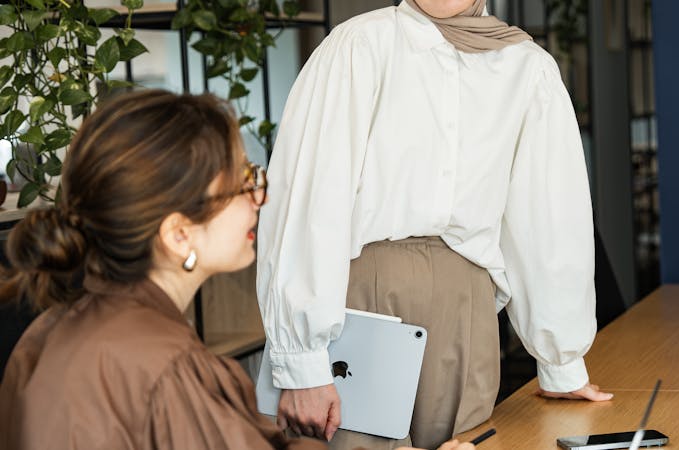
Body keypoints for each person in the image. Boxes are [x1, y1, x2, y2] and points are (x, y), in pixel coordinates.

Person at [256, 0, 613, 449]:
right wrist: (302, 361)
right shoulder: (360, 44)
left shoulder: (527, 67)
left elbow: (548, 220)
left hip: (467, 302)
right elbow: (307, 199)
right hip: (359, 298)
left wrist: (561, 361)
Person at [0, 90, 326, 450]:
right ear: (178, 234)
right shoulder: (168, 368)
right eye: (243, 181)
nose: (259, 198)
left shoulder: (49, 329)